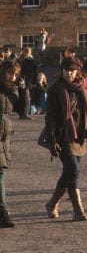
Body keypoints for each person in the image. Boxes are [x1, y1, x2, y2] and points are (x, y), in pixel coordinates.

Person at [44, 56, 87, 221]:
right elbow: (50, 115)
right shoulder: (56, 89)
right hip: (63, 135)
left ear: (78, 71)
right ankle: (78, 211)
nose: (69, 73)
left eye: (72, 70)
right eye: (66, 70)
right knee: (73, 169)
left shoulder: (84, 85)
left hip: (80, 134)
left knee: (69, 172)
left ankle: (52, 204)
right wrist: (52, 137)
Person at [0, 60, 27, 227]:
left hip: (5, 133)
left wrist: (23, 90)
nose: (13, 77)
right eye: (11, 73)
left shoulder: (12, 90)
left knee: (1, 171)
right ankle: (3, 212)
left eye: (16, 75)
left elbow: (22, 110)